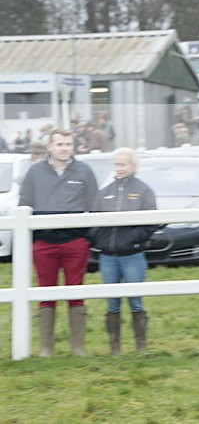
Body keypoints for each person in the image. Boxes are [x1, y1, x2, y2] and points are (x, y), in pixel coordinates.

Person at [18, 128, 98, 357]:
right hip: (44, 243)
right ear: (50, 147)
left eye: (68, 144)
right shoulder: (35, 173)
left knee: (76, 291)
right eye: (60, 144)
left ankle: (77, 347)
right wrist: (34, 239)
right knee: (46, 292)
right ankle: (46, 348)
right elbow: (25, 204)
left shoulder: (84, 171)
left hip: (75, 242)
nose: (65, 149)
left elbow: (94, 204)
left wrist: (86, 237)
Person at [88, 148, 158, 354]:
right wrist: (100, 240)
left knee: (136, 301)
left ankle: (141, 347)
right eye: (116, 164)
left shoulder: (144, 191)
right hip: (108, 256)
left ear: (133, 166)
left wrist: (131, 239)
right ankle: (115, 348)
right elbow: (93, 221)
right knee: (112, 303)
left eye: (123, 164)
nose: (118, 168)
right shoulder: (104, 192)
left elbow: (151, 223)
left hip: (132, 256)